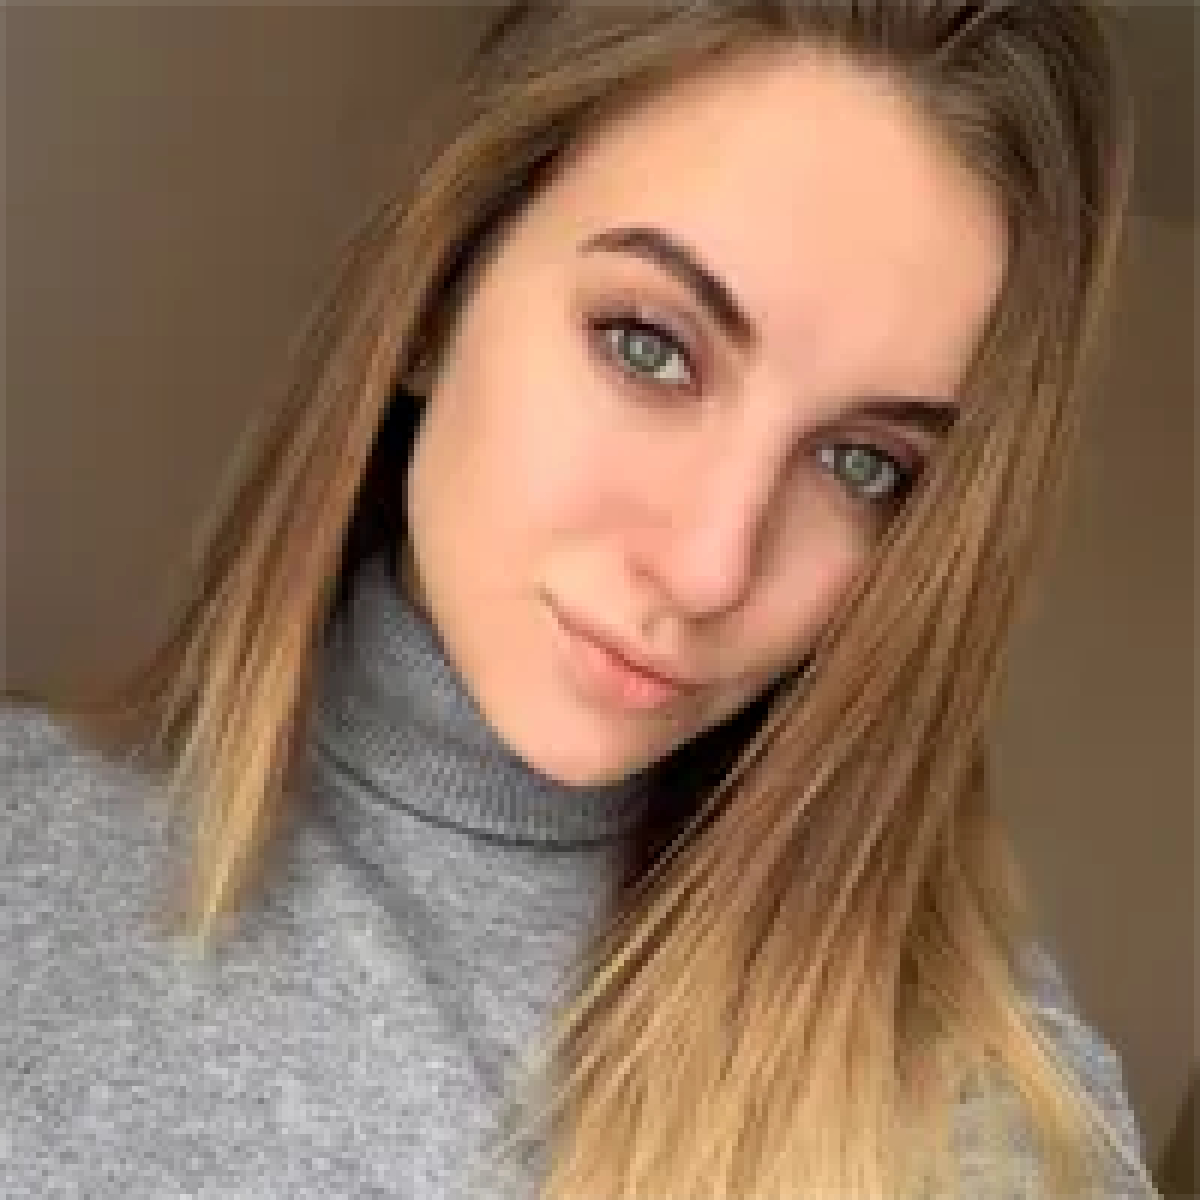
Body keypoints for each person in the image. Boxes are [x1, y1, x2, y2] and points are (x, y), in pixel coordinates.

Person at [3, 3, 1161, 1197]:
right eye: (649, 345)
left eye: (864, 464)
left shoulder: (975, 1105)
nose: (711, 568)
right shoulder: (26, 854)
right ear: (439, 293)